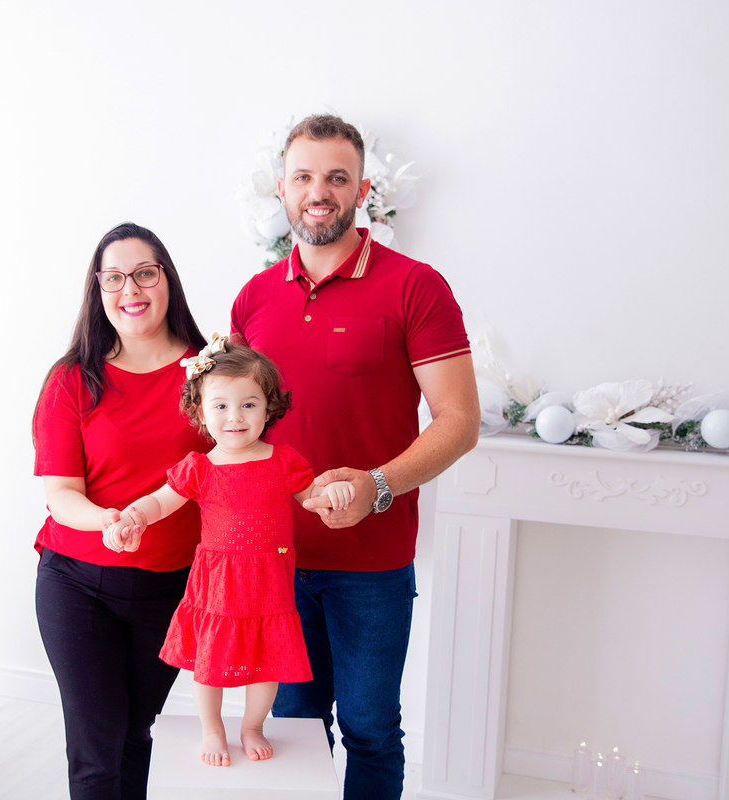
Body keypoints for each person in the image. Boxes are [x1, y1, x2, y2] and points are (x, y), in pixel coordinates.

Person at [230, 114, 481, 800]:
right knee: (290, 728)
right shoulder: (253, 299)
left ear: (362, 189)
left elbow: (459, 422)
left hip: (371, 564)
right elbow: (233, 428)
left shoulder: (415, 287)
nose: (320, 191)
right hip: (275, 559)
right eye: (305, 177)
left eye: (337, 178)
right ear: (281, 190)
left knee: (370, 728)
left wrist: (375, 486)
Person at [102, 337, 355, 767]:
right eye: (220, 406)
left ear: (269, 406)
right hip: (218, 582)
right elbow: (161, 501)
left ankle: (252, 724)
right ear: (200, 412)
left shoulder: (283, 461)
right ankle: (212, 727)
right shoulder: (200, 467)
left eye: (249, 404)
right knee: (210, 659)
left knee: (269, 662)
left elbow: (313, 495)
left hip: (269, 582)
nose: (235, 417)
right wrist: (132, 517)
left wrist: (335, 492)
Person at [32, 222, 211, 800]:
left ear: (167, 281)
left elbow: (236, 468)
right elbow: (61, 493)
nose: (129, 289)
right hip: (77, 580)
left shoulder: (209, 376)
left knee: (135, 733)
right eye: (113, 278)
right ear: (98, 290)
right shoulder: (71, 380)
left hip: (170, 588)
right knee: (96, 747)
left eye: (143, 273)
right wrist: (111, 521)